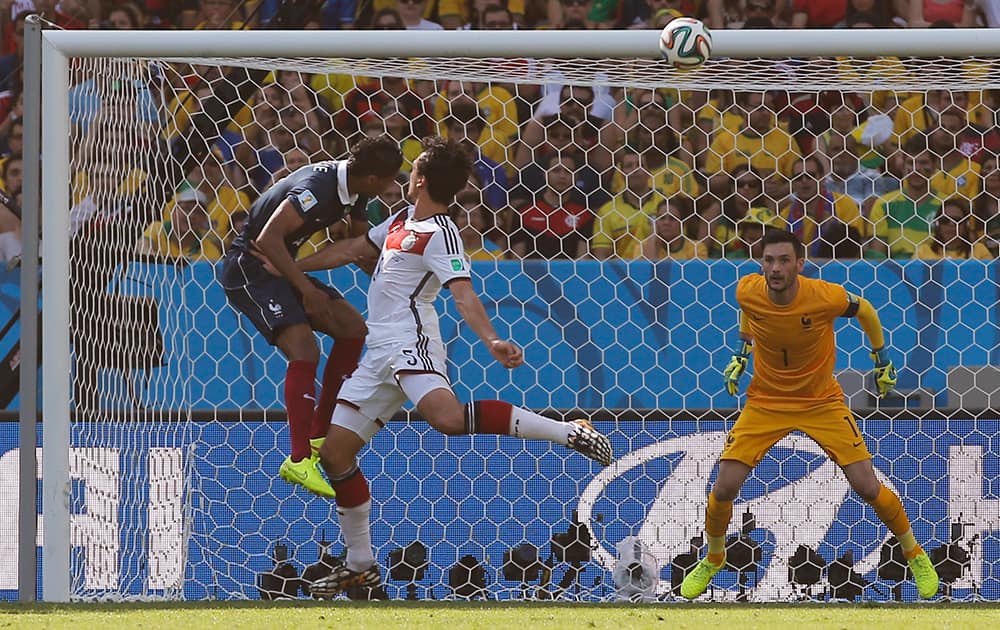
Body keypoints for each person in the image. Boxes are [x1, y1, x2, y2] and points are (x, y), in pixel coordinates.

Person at [286, 136, 613, 597]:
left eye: (411, 170)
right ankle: (360, 564)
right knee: (335, 456)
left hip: (410, 342)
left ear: (419, 180)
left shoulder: (441, 232)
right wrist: (292, 268)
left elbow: (462, 292)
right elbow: (355, 249)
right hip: (378, 353)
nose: (405, 177)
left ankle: (568, 430)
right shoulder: (401, 221)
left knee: (448, 419)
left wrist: (493, 339)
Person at [679, 229, 939, 601]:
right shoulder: (746, 289)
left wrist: (880, 358)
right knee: (724, 487)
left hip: (821, 402)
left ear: (800, 264)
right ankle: (714, 556)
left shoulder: (823, 296)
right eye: (769, 260)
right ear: (761, 263)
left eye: (784, 260)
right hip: (766, 402)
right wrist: (741, 352)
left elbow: (864, 308)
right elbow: (750, 314)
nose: (775, 268)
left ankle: (914, 553)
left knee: (866, 486)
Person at [220, 135, 404, 499]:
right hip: (250, 269)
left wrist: (390, 280)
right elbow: (270, 238)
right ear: (372, 178)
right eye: (390, 179)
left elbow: (358, 243)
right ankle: (299, 458)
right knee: (304, 351)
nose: (392, 186)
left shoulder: (354, 187)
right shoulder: (318, 188)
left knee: (353, 329)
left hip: (280, 267)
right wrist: (306, 290)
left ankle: (320, 433)